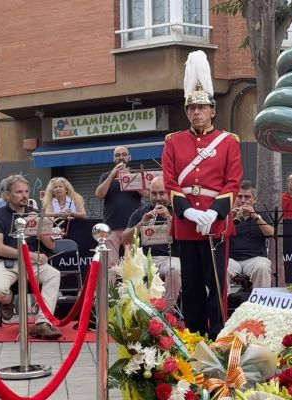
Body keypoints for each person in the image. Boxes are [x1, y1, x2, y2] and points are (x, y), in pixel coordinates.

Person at [162, 50, 243, 338]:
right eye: (191, 108)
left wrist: (213, 212)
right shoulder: (173, 142)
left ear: (212, 110)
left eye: (202, 107)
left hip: (216, 225)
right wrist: (188, 210)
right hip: (187, 225)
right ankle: (194, 336)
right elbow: (170, 181)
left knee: (217, 286)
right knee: (192, 285)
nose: (196, 112)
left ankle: (218, 335)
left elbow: (233, 181)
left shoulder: (228, 142)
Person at [0, 175, 63, 340]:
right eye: (19, 192)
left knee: (54, 274)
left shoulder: (36, 214)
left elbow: (51, 246)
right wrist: (31, 255)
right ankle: (7, 300)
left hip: (33, 265)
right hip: (6, 263)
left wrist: (44, 231)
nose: (24, 195)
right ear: (6, 195)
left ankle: (42, 323)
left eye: (26, 191)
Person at [122, 176, 181, 311]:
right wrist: (141, 224)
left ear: (169, 193)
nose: (158, 198)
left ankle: (167, 314)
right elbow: (124, 240)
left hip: (172, 258)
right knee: (131, 270)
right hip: (146, 258)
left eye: (162, 193)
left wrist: (169, 218)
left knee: (174, 270)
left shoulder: (178, 210)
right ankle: (138, 313)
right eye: (154, 193)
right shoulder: (142, 211)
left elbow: (185, 237)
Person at [95, 146, 143, 271]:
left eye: (124, 154)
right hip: (111, 226)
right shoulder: (106, 176)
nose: (121, 157)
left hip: (132, 226)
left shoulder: (136, 174)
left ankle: (131, 290)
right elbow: (99, 195)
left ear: (129, 157)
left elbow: (146, 194)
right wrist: (112, 175)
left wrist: (130, 178)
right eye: (117, 155)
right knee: (110, 264)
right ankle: (111, 290)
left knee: (132, 264)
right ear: (113, 158)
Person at [228, 181, 274, 288]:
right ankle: (220, 304)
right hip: (231, 259)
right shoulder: (228, 215)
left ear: (255, 200)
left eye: (247, 197)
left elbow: (271, 234)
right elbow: (217, 235)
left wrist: (255, 216)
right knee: (220, 269)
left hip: (255, 258)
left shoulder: (261, 215)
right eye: (239, 197)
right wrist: (229, 218)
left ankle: (260, 304)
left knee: (263, 268)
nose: (243, 200)